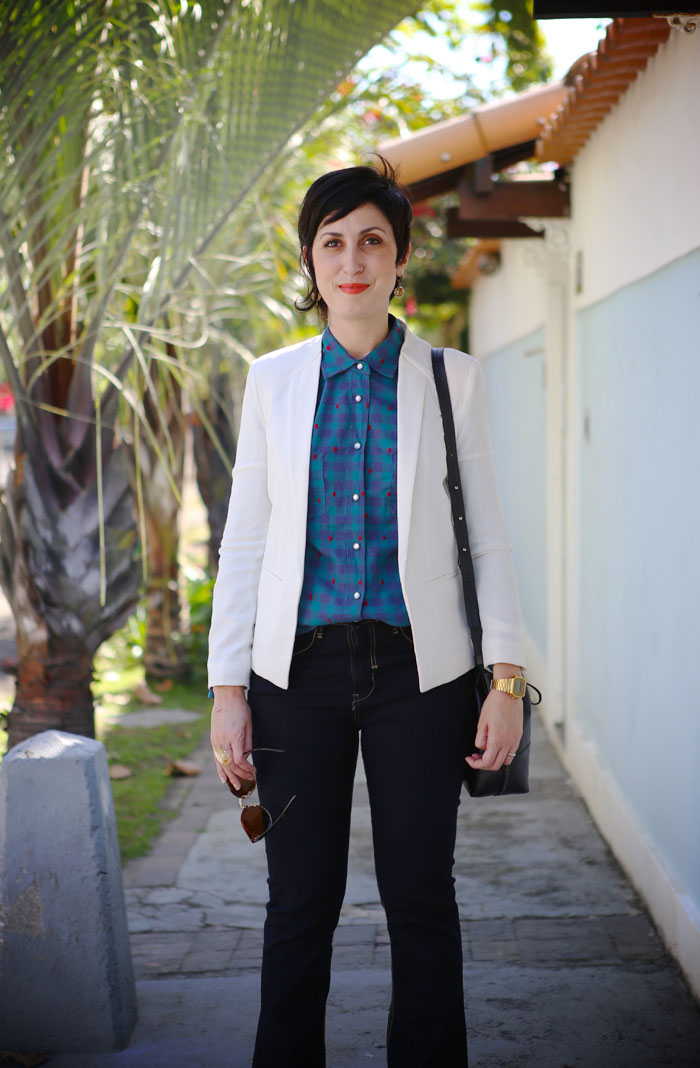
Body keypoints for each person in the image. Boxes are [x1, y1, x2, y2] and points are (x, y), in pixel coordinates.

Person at [208, 158, 527, 1068]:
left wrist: (506, 682)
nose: (352, 261)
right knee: (298, 904)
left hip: (420, 677)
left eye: (372, 241)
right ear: (311, 261)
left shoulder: (450, 379)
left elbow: (488, 537)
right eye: (333, 242)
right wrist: (228, 689)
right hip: (295, 679)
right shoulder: (272, 381)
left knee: (420, 898)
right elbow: (245, 540)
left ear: (400, 257)